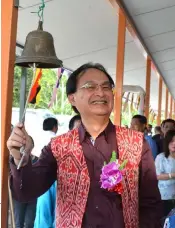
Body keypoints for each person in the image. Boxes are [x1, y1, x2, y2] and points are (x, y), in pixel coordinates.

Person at [7, 63, 162, 228]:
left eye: (106, 86)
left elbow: (151, 204)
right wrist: (19, 156)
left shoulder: (136, 142)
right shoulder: (58, 146)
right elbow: (26, 191)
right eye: (90, 86)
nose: (101, 92)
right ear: (72, 98)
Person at [34, 116, 82, 228]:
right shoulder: (55, 168)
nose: (83, 136)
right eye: (78, 130)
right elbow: (43, 218)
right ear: (70, 134)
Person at [155, 130, 175, 217]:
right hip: (165, 195)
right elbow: (157, 176)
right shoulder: (161, 157)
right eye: (172, 141)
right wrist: (172, 175)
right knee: (166, 219)